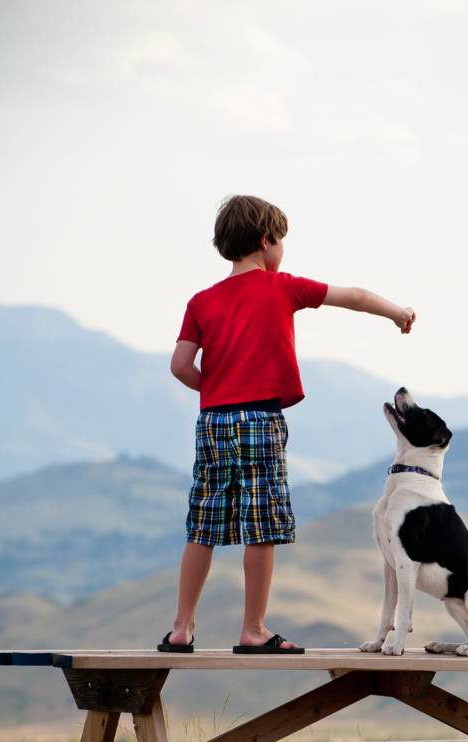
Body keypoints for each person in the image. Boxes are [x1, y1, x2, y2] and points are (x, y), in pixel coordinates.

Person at [160, 194, 414, 654]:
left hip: (214, 422)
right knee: (261, 525)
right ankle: (253, 630)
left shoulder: (201, 301)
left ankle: (181, 628)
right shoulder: (284, 287)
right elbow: (353, 298)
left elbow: (180, 365)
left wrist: (218, 390)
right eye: (282, 242)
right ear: (266, 240)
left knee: (204, 523)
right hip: (260, 417)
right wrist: (397, 312)